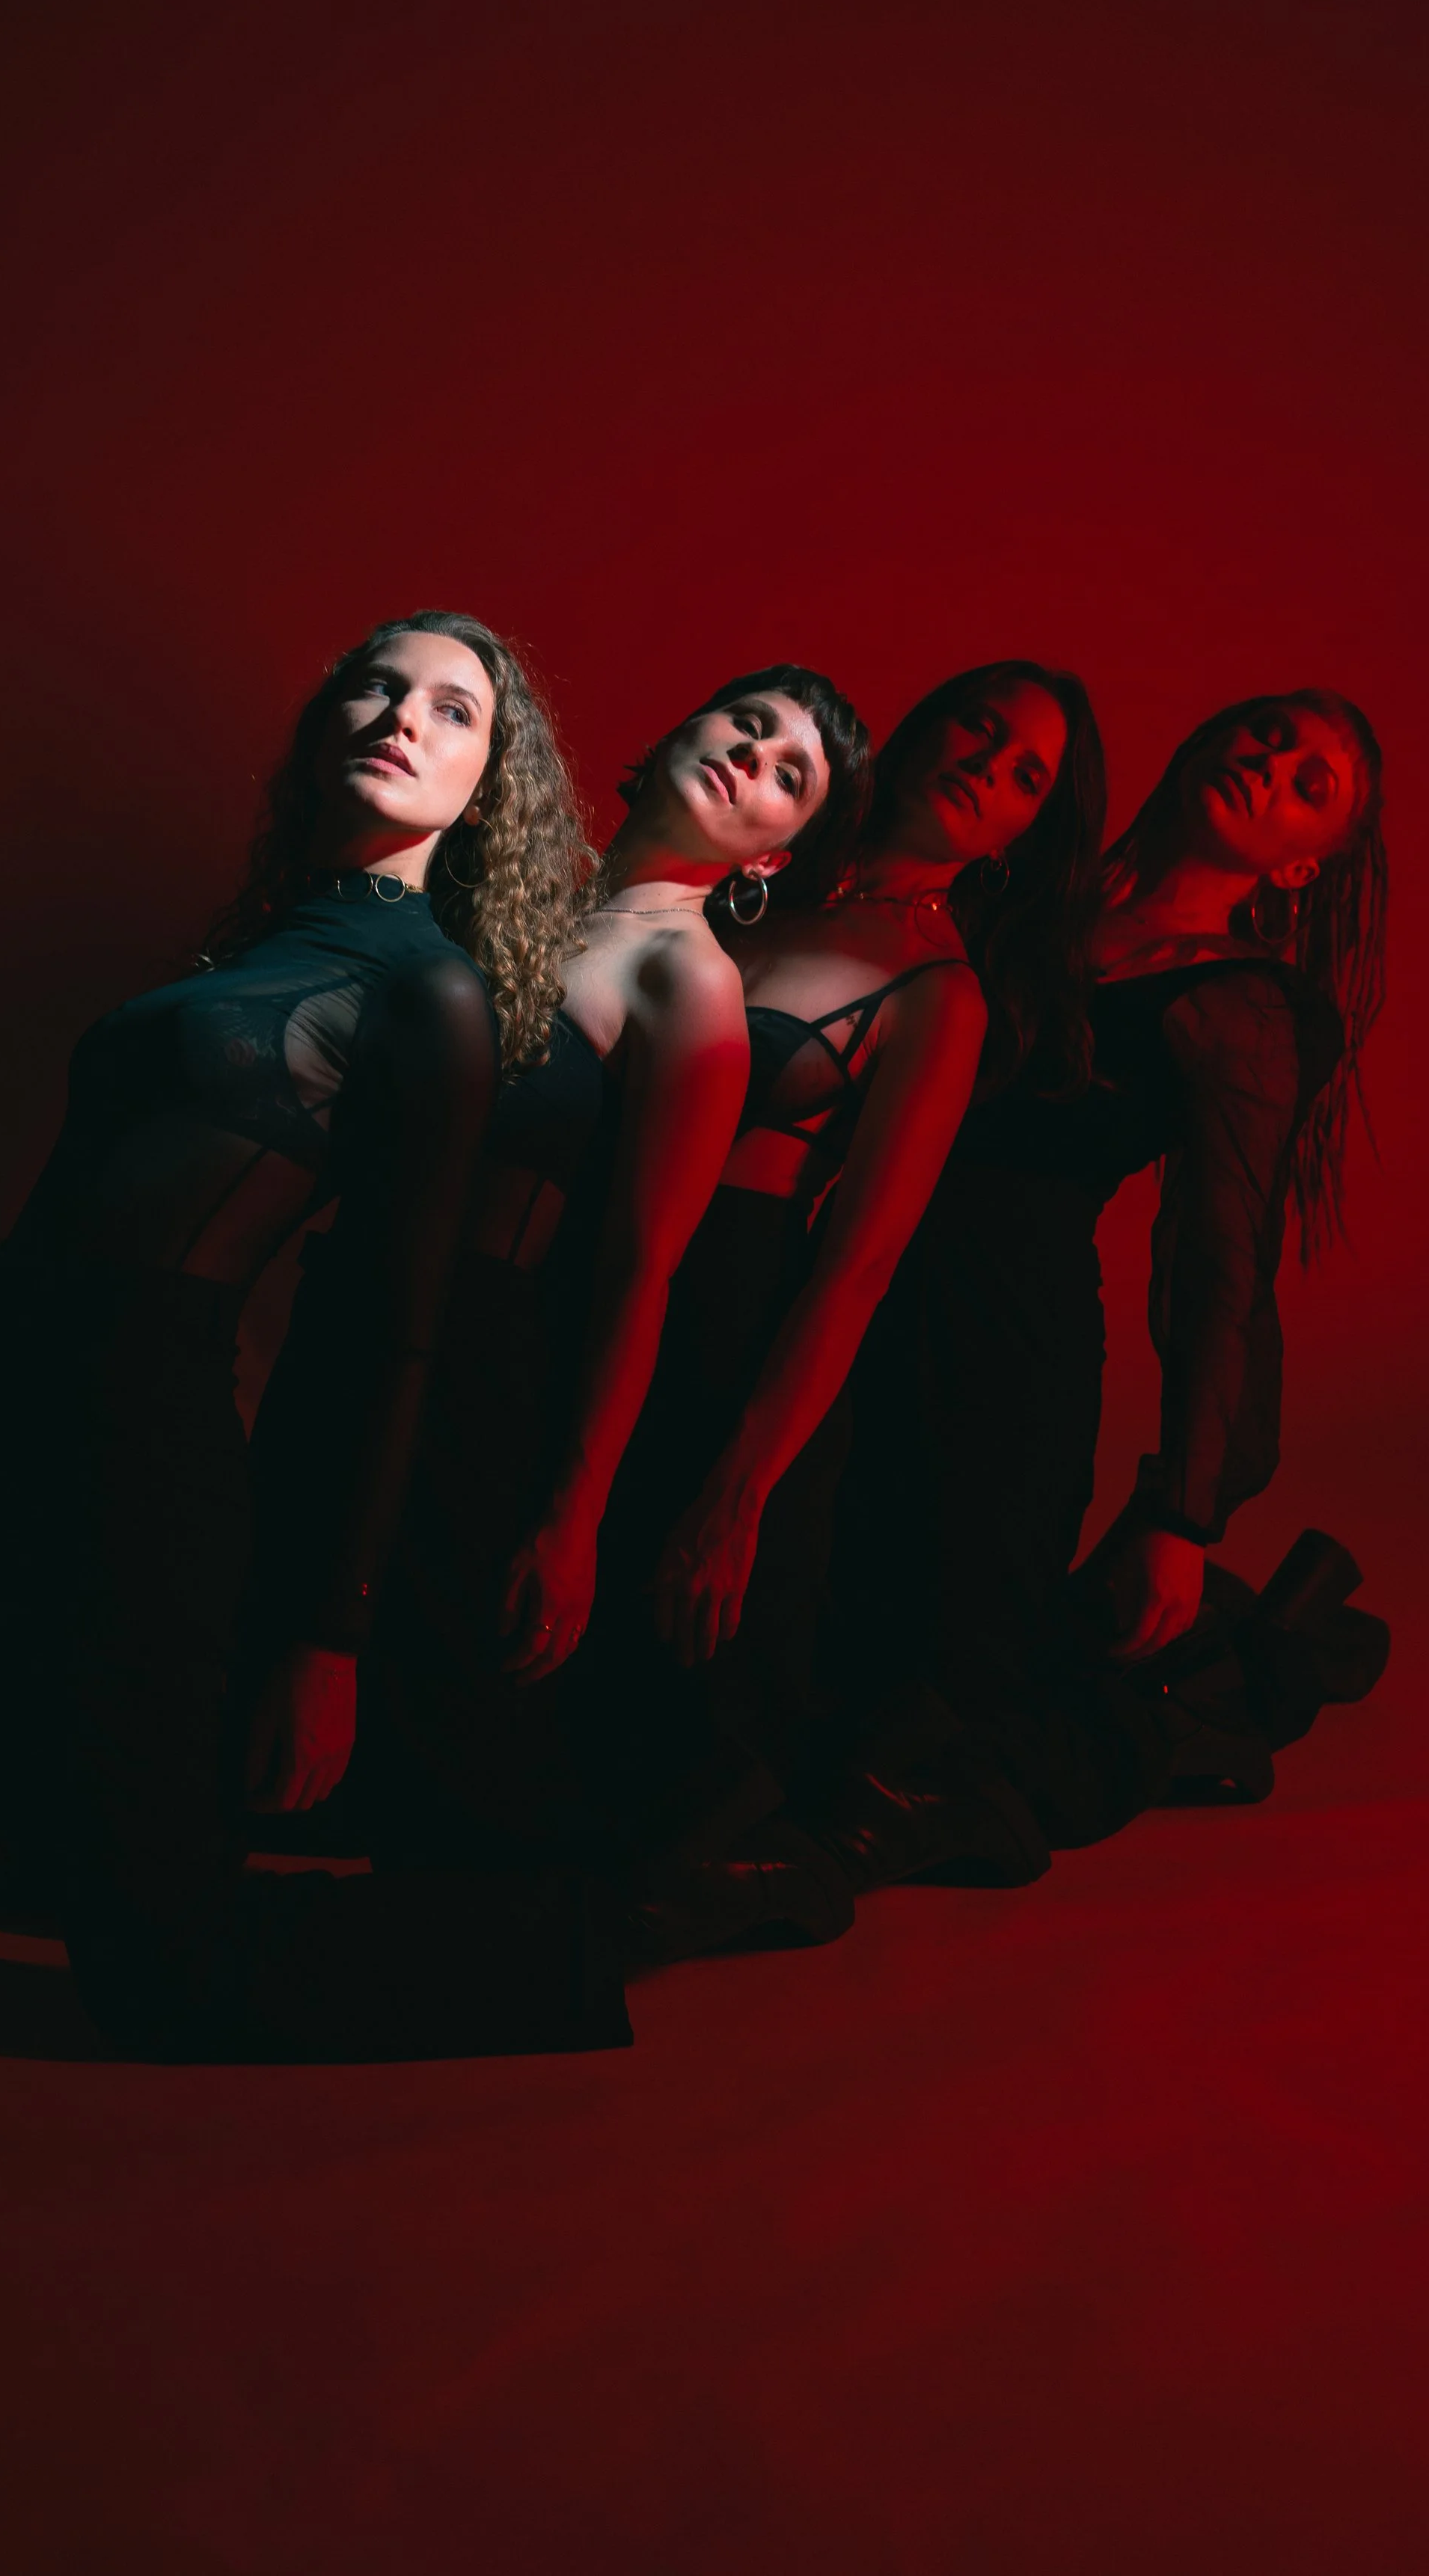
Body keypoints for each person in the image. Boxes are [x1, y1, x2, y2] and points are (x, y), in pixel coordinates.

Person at [0, 610, 621, 2058]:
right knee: (13, 1847)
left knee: (158, 1971)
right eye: (374, 688)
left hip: (144, 1417)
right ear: (318, 734)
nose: (398, 718)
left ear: (489, 791)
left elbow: (395, 1324)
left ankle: (575, 1940)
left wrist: (326, 1635)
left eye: (450, 712)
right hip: (10, 1400)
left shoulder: (425, 988)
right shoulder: (240, 953)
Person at [258, 669, 867, 1886]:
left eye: (789, 774)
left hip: (483, 1363)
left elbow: (644, 1270)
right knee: (272, 1647)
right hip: (348, 1312)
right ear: (675, 728)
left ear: (774, 858)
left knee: (425, 1745)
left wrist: (573, 1516)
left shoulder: (685, 980)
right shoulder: (507, 890)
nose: (753, 758)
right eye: (746, 725)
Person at [579, 658, 1110, 1957]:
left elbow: (860, 1265)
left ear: (1022, 832)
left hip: (734, 1319)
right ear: (919, 727)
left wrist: (742, 1492)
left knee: (665, 1767)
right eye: (978, 724)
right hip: (581, 1274)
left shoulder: (943, 989)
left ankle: (781, 1853)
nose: (989, 759)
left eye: (1027, 769)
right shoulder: (748, 856)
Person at [830, 687, 1390, 1859]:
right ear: (1200, 732)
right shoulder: (1013, 885)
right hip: (837, 1295)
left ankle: (1193, 1702)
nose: (1272, 762)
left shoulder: (1240, 1004)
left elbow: (1220, 1266)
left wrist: (1181, 1511)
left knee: (928, 1744)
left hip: (999, 1348)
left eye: (1310, 785)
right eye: (1269, 732)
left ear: (1301, 869)